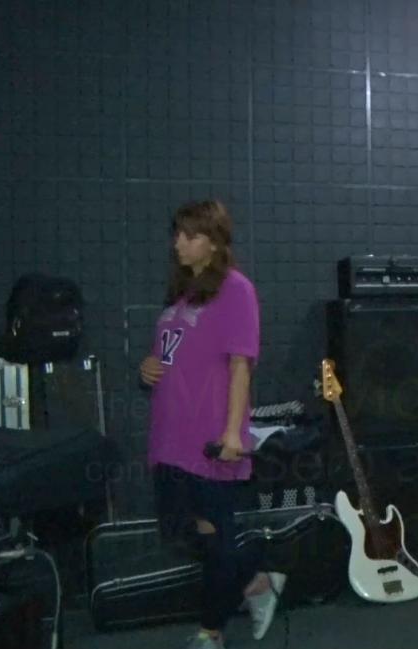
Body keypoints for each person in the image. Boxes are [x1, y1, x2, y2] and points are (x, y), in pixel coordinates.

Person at [140, 200, 285, 649]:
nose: (178, 243)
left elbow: (241, 364)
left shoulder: (235, 289)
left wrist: (232, 432)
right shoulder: (182, 294)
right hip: (169, 434)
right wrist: (148, 366)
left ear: (216, 241)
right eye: (177, 234)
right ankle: (257, 581)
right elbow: (171, 356)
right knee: (188, 535)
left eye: (191, 235)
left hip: (208, 436)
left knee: (217, 537)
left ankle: (211, 631)